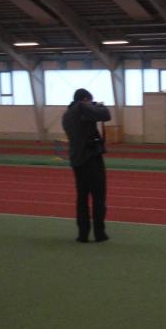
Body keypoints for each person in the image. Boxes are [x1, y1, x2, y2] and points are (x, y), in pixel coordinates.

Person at [62, 88, 111, 243]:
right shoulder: (82, 107)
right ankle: (99, 233)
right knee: (98, 197)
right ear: (85, 99)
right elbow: (106, 115)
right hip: (91, 158)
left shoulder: (67, 114)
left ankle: (83, 234)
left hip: (76, 159)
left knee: (82, 198)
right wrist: (99, 106)